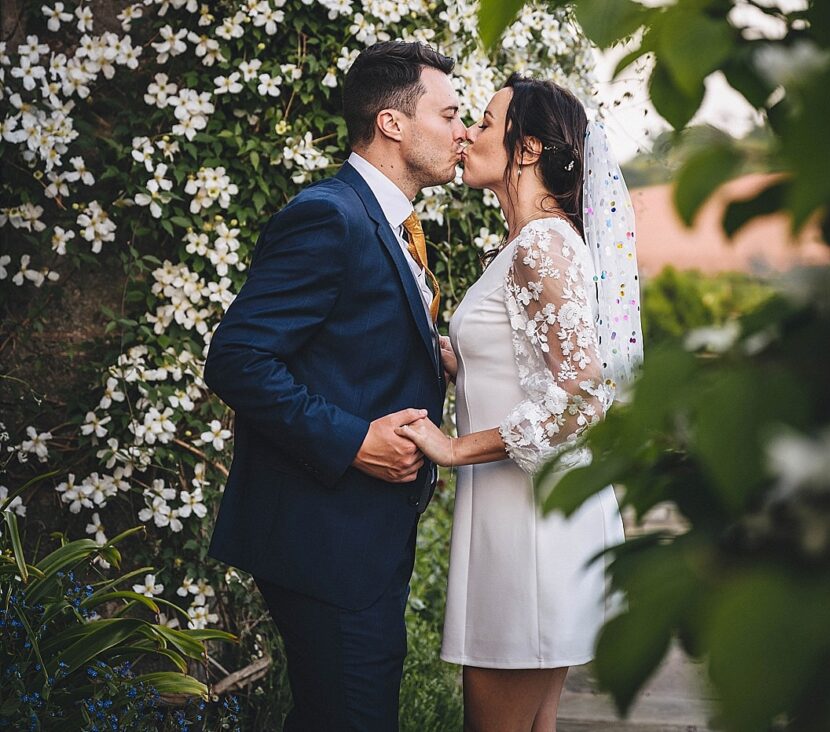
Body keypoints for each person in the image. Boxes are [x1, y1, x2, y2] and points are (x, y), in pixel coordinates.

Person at [203, 41, 465, 730]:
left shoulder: (387, 221)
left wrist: (429, 355)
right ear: (393, 124)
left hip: (359, 533)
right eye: (450, 113)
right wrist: (354, 441)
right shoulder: (330, 215)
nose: (462, 130)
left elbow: (347, 341)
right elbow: (237, 358)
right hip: (325, 536)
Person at [397, 74, 644, 731]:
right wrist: (457, 359)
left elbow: (582, 393)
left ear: (528, 147)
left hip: (528, 525)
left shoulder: (541, 245)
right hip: (527, 517)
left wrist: (452, 448)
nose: (468, 135)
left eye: (482, 121)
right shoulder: (530, 244)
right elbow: (530, 363)